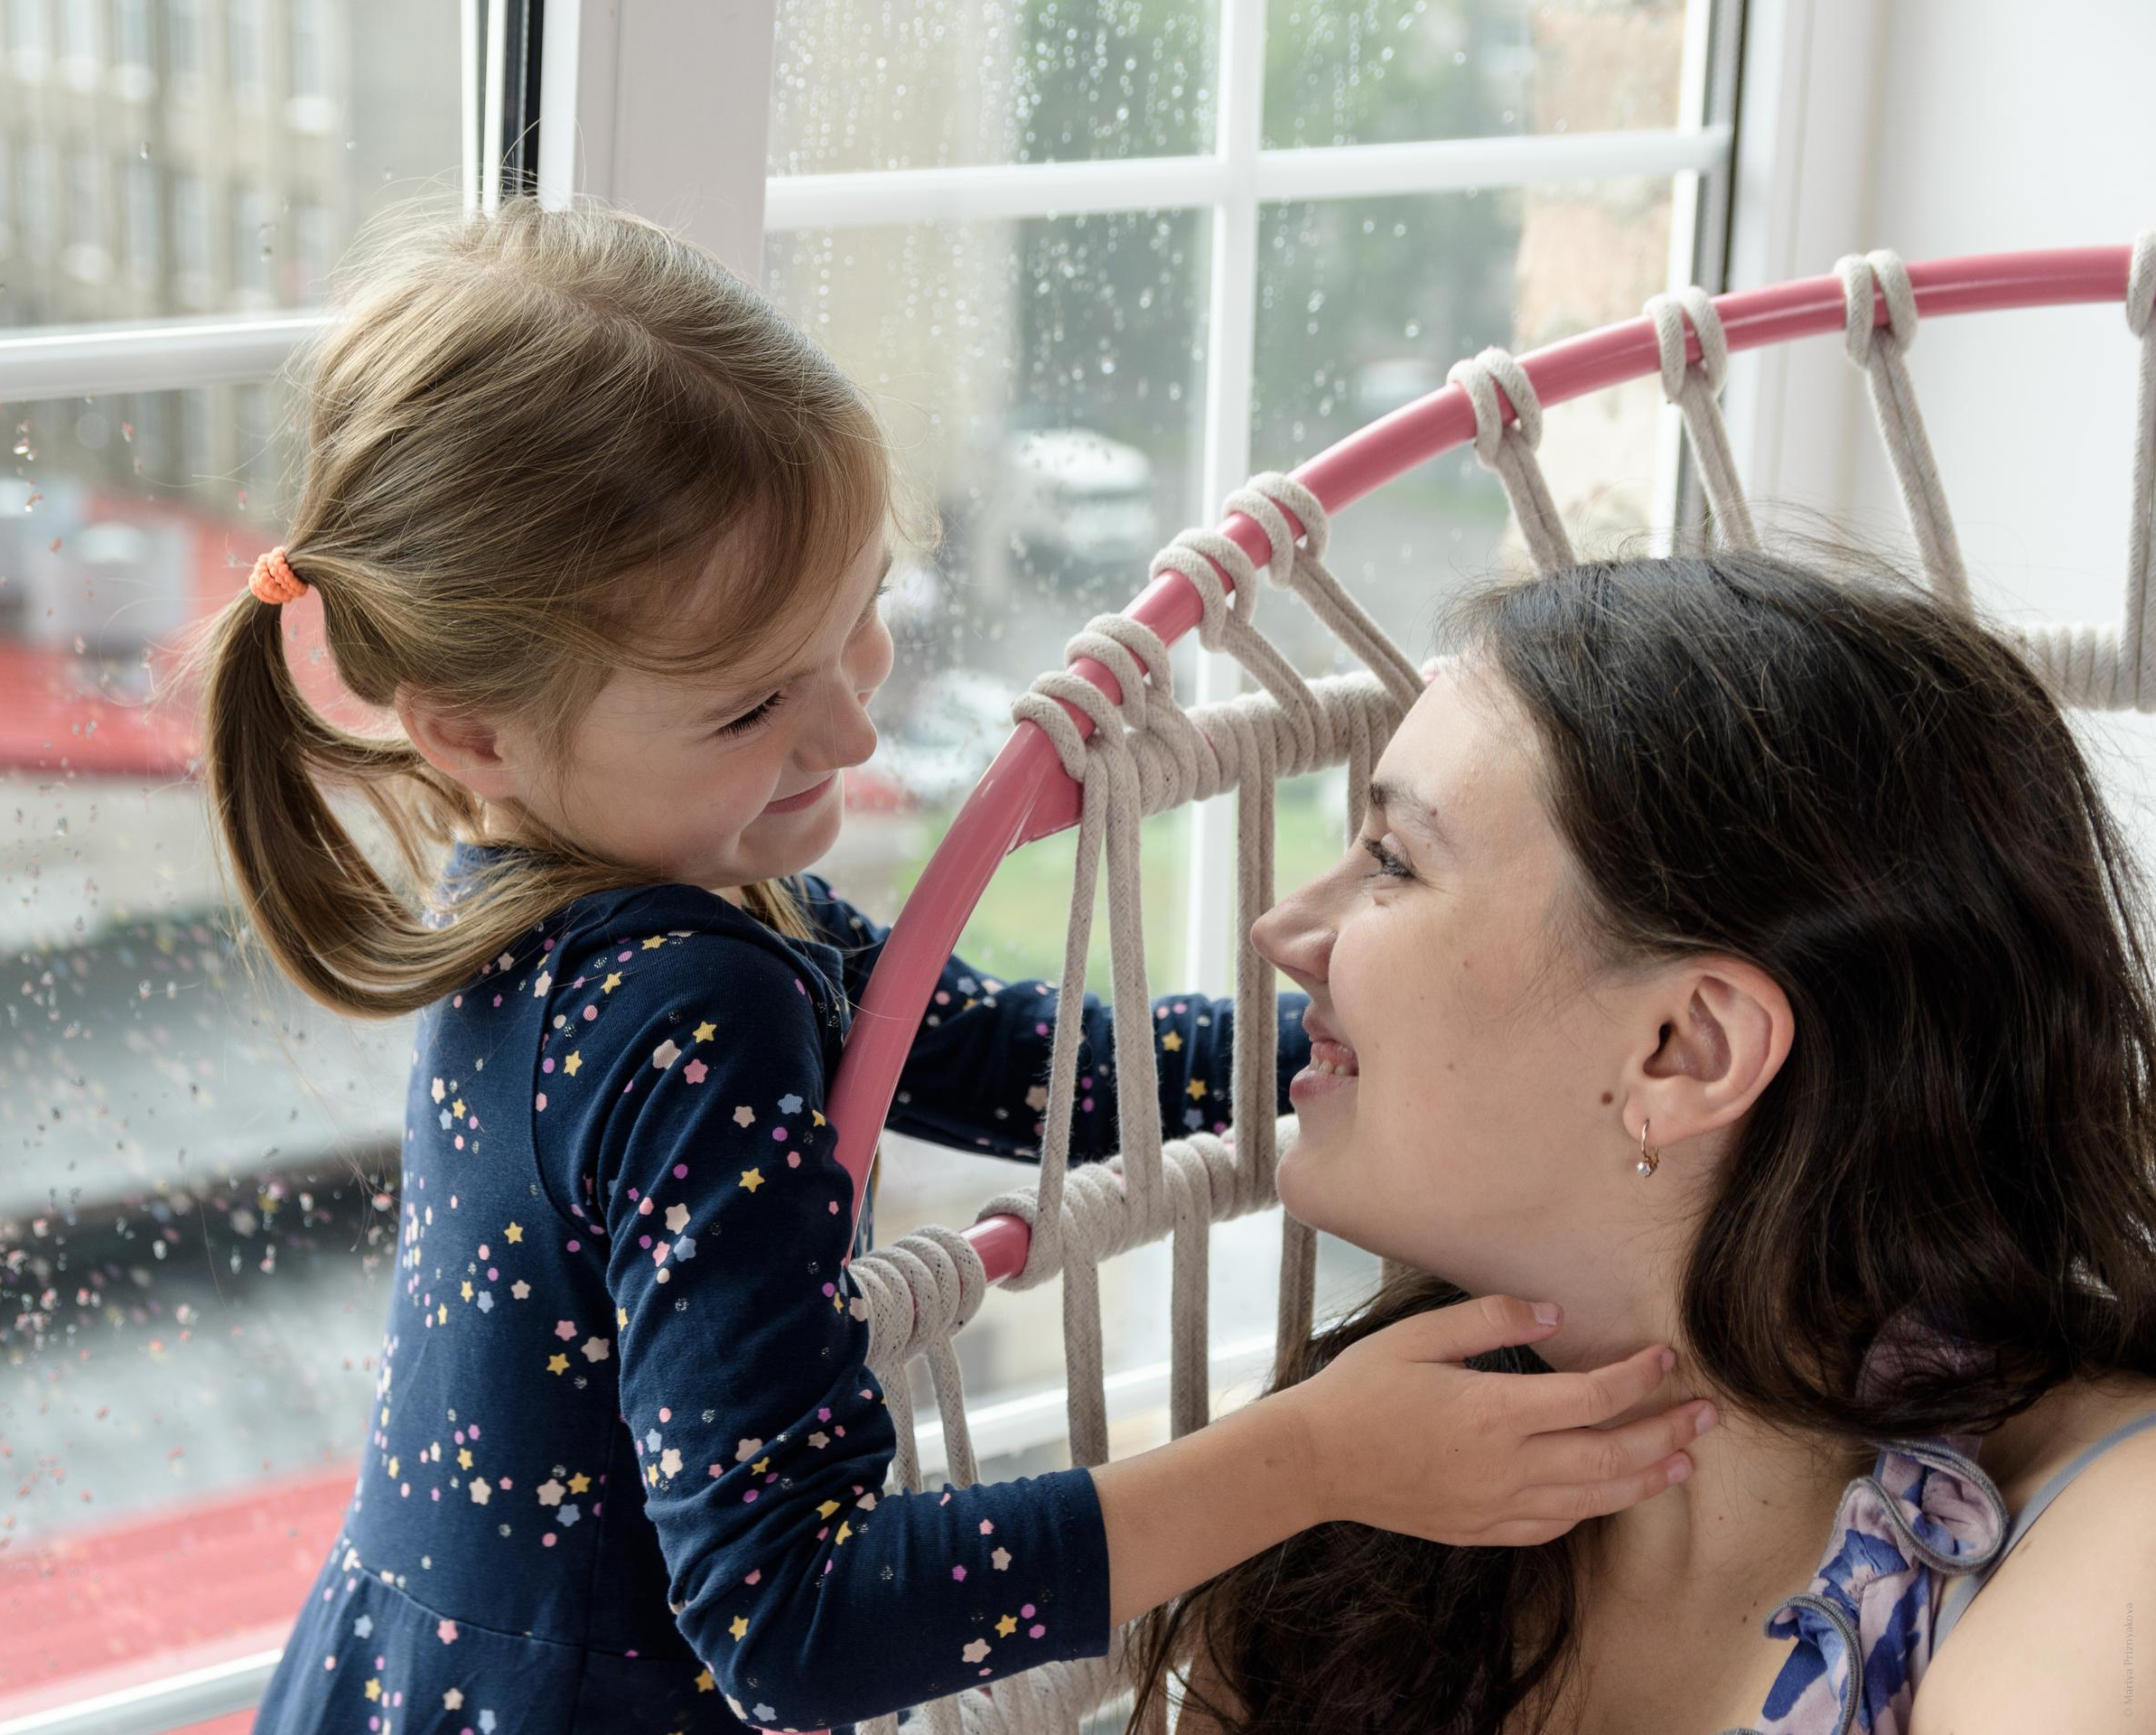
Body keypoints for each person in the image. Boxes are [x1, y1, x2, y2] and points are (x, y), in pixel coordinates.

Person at [177, 195, 1707, 1735]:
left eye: (862, 625)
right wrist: (1317, 1454)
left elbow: (1020, 1066)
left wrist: (1400, 1023)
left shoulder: (587, 885)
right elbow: (798, 1618)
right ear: (469, 728)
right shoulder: (681, 999)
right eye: (746, 706)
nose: (849, 731)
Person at [1131, 547, 2156, 1734]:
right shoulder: (1353, 1526)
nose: (1283, 927)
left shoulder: (2110, 1546)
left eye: (1395, 862)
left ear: (1686, 1048)